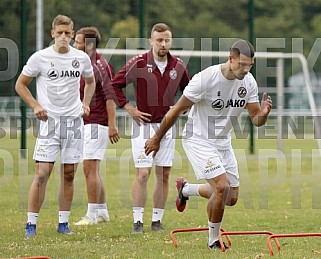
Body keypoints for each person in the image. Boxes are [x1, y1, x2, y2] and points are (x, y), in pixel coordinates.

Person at [145, 39, 272, 250]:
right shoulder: (205, 79)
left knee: (230, 197)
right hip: (198, 139)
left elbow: (256, 119)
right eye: (242, 64)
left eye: (250, 65)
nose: (246, 69)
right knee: (221, 187)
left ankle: (186, 190)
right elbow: (176, 110)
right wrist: (157, 138)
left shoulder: (248, 82)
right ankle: (213, 240)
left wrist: (264, 114)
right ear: (230, 58)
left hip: (223, 142)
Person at [15, 14, 96, 238]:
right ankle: (31, 225)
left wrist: (86, 104)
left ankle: (63, 223)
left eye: (67, 33)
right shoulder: (40, 58)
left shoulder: (81, 58)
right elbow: (20, 85)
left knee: (69, 174)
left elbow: (90, 82)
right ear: (52, 34)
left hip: (74, 124)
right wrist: (35, 105)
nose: (63, 37)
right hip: (49, 125)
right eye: (59, 33)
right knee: (42, 175)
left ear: (72, 34)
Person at [111, 23, 190, 233]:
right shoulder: (138, 63)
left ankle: (157, 221)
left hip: (167, 128)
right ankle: (138, 221)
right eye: (159, 40)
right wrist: (128, 108)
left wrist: (180, 109)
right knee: (143, 174)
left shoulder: (179, 66)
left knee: (163, 174)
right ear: (151, 41)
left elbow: (190, 93)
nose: (163, 44)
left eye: (167, 40)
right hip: (142, 126)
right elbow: (114, 85)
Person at [73, 26, 120, 225]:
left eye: (78, 41)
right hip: (88, 122)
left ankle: (91, 215)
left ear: (89, 45)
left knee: (89, 168)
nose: (74, 44)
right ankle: (102, 211)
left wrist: (111, 125)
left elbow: (110, 98)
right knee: (93, 169)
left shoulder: (99, 66)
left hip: (96, 123)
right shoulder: (85, 64)